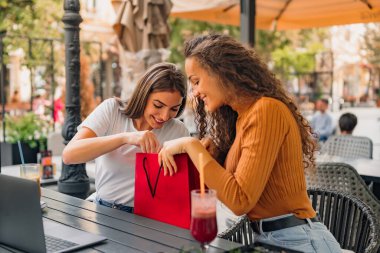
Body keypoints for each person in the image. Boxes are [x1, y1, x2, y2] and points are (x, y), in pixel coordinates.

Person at [158, 34, 341, 252]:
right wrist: (214, 155)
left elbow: (240, 200)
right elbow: (233, 188)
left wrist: (192, 146)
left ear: (222, 71)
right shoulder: (242, 117)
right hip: (272, 239)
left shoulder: (266, 111)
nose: (195, 92)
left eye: (196, 81)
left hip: (298, 240)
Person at [62, 62, 190, 213]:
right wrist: (125, 138)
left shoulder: (178, 131)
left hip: (150, 217)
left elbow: (185, 187)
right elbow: (69, 155)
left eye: (174, 109)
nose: (164, 116)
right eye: (158, 105)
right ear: (143, 96)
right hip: (104, 209)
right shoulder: (112, 110)